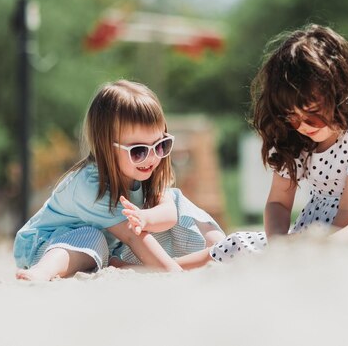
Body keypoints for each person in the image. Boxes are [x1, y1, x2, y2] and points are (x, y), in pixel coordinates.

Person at [210, 24, 348, 262]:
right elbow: (278, 203)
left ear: (340, 94)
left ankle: (312, 255)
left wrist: (311, 246)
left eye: (311, 113)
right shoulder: (294, 138)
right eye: (291, 117)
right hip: (316, 234)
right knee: (238, 243)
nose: (302, 125)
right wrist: (278, 246)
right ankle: (175, 265)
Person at [14, 80, 224, 281]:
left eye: (161, 145)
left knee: (177, 200)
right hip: (47, 244)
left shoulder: (149, 171)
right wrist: (172, 272)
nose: (152, 158)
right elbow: (134, 237)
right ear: (106, 146)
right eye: (138, 151)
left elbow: (170, 213)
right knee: (92, 236)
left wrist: (145, 217)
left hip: (111, 246)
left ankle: (219, 247)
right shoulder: (90, 186)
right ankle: (42, 271)